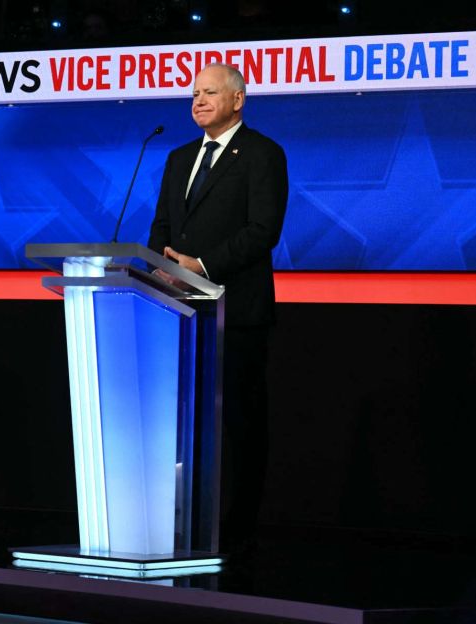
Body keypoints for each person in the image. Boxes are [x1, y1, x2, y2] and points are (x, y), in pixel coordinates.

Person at [147, 63, 288, 560]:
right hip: (181, 313)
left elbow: (263, 229)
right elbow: (162, 226)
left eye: (210, 93)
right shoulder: (178, 156)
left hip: (238, 313)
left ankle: (239, 528)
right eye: (194, 94)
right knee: (185, 422)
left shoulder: (262, 155)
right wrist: (158, 267)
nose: (198, 101)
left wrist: (202, 265)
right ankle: (185, 521)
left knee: (242, 424)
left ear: (238, 99)